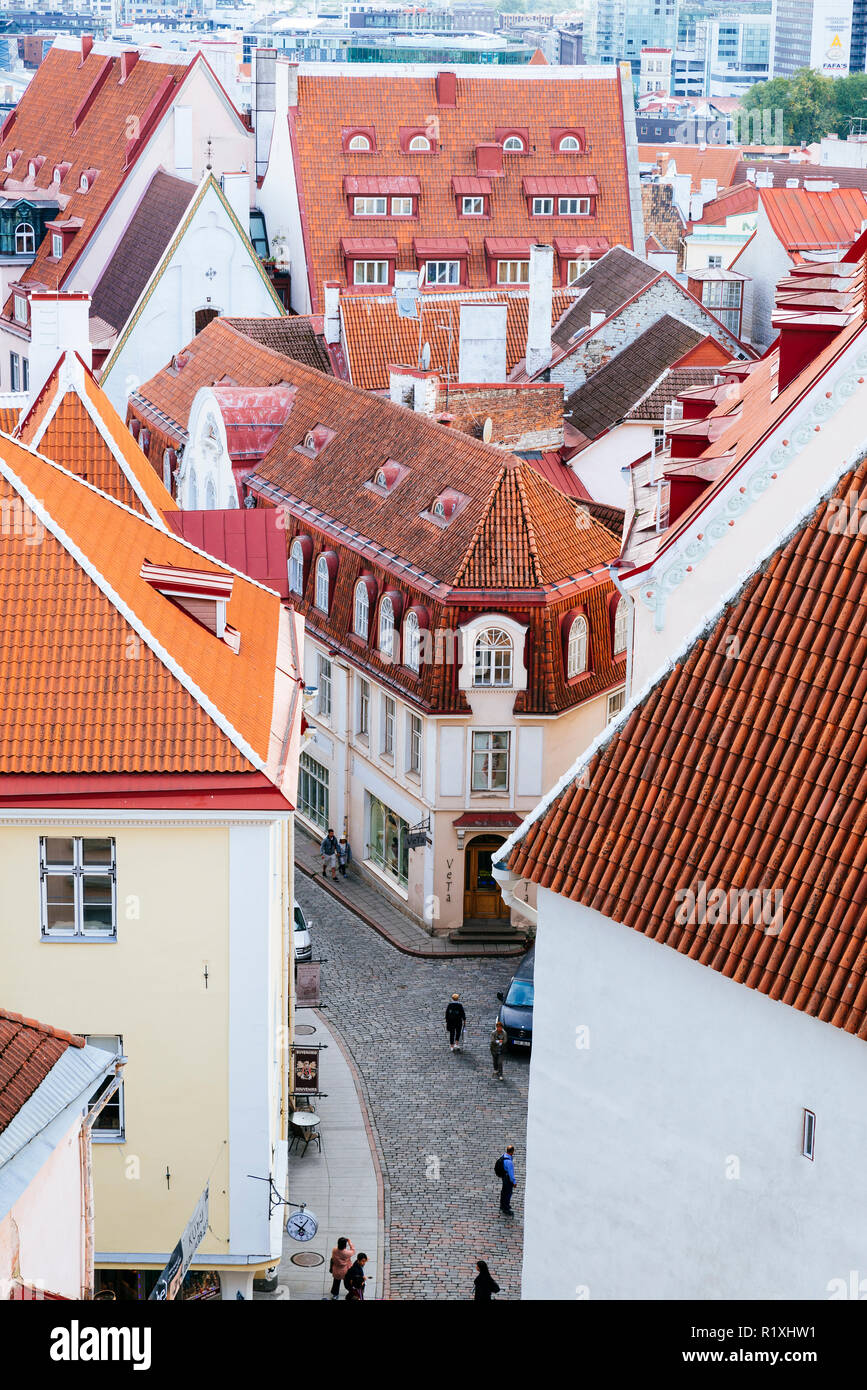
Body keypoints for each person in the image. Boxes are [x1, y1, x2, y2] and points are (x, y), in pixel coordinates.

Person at [329, 1236, 355, 1300]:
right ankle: (352, 1292)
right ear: (345, 1245)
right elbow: (353, 1251)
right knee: (347, 1283)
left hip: (336, 1270)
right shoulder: (346, 1253)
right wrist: (350, 1243)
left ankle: (335, 1294)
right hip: (345, 1271)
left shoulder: (334, 1250)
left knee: (336, 1282)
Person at [499, 1144, 517, 1216]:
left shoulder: (503, 1156)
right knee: (508, 1193)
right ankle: (506, 1208)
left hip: (504, 1176)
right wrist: (514, 1182)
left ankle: (502, 1205)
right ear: (512, 1152)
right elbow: (511, 1174)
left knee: (504, 1191)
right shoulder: (509, 1162)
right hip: (508, 1178)